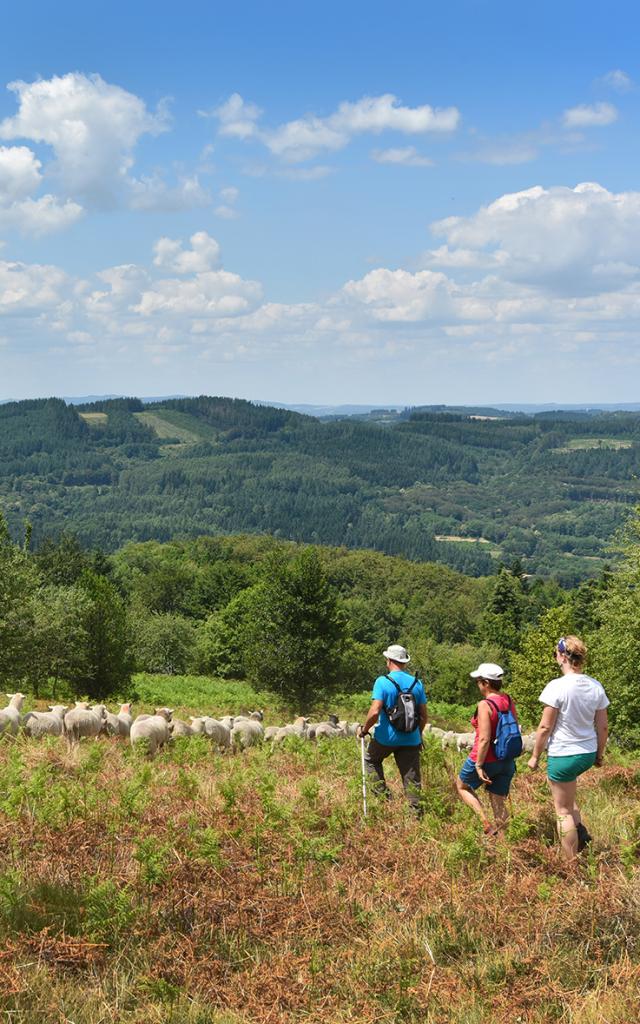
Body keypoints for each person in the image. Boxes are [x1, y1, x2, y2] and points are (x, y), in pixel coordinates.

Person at [528, 636, 609, 861]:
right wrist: (599, 755)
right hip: (586, 753)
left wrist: (535, 756)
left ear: (562, 656)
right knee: (568, 797)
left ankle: (569, 864)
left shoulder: (557, 687)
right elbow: (602, 727)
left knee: (562, 811)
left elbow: (545, 727)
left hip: (564, 754)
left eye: (556, 653)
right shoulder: (595, 686)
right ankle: (581, 835)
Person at [356, 644, 428, 814]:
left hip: (386, 738)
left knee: (371, 760)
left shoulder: (382, 681)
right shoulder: (417, 684)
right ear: (404, 662)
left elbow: (374, 711)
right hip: (411, 738)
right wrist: (418, 735)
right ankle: (415, 816)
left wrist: (365, 730)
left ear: (388, 660)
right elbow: (424, 716)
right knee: (412, 778)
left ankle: (384, 798)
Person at [455, 662, 518, 837]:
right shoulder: (509, 700)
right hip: (506, 760)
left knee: (462, 787)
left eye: (478, 681)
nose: (477, 684)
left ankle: (486, 824)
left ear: (486, 683)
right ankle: (505, 844)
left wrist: (479, 765)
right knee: (498, 803)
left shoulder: (485, 705)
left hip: (486, 758)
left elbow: (484, 738)